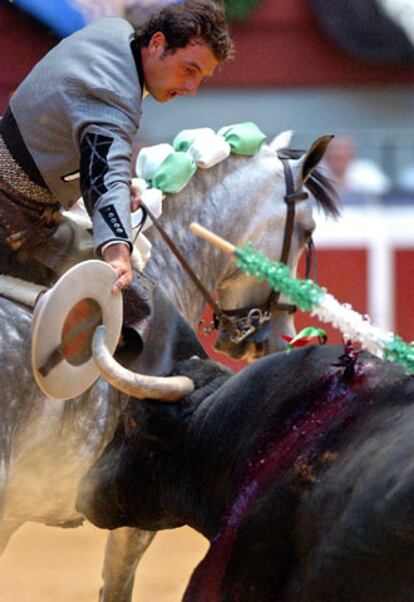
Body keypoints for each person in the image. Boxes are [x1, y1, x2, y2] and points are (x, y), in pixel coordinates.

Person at [0, 0, 233, 291]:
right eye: (189, 70)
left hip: (20, 199)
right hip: (14, 222)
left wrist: (119, 183)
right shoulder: (113, 92)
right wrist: (117, 251)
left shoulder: (113, 32)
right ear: (158, 43)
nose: (191, 88)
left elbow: (86, 147)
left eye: (201, 78)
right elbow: (104, 171)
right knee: (137, 301)